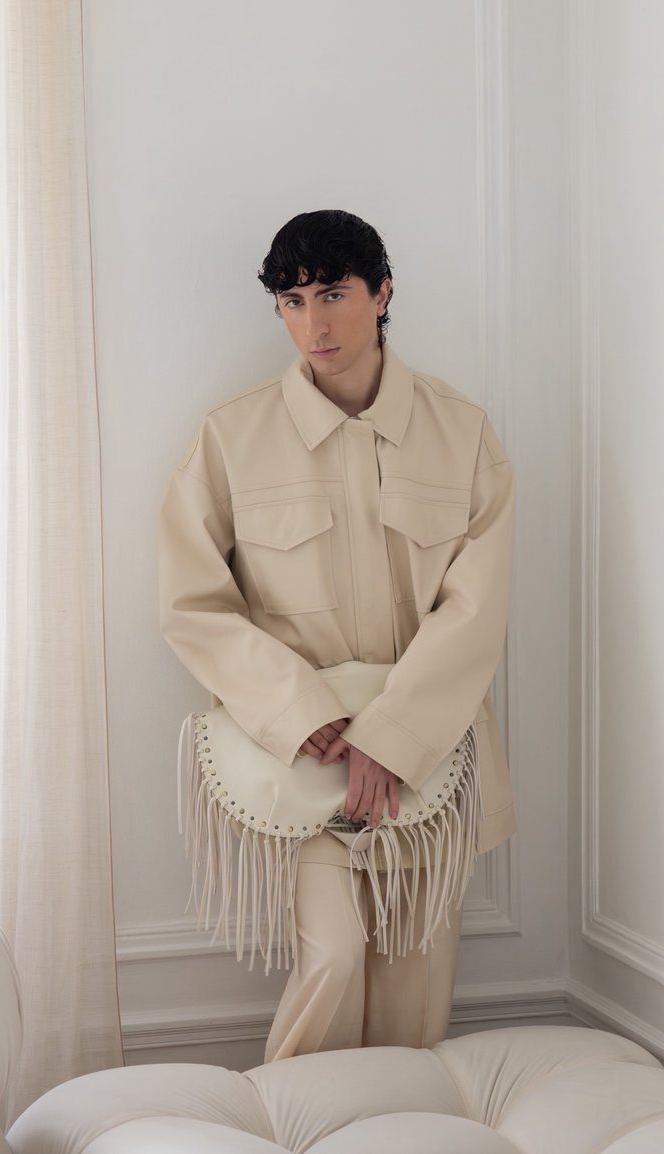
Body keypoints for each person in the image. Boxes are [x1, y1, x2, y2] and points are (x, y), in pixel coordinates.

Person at [159, 209, 515, 1061]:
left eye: (332, 294)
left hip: (427, 760)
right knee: (337, 957)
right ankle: (287, 1120)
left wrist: (395, 737)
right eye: (290, 301)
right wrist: (297, 710)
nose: (312, 324)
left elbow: (478, 605)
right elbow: (191, 601)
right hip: (305, 761)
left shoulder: (461, 433)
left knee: (415, 985)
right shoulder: (232, 438)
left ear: (381, 293)